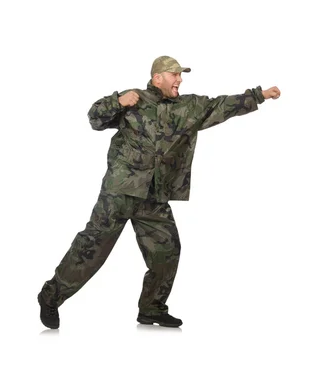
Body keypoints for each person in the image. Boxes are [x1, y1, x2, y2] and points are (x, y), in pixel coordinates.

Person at [37, 56, 280, 329]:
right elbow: (95, 118)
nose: (180, 79)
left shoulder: (188, 107)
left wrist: (259, 95)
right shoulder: (135, 100)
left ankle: (152, 308)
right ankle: (51, 295)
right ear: (157, 78)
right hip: (119, 192)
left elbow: (221, 105)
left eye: (181, 75)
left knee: (167, 250)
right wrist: (117, 101)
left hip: (154, 195)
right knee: (92, 249)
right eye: (174, 74)